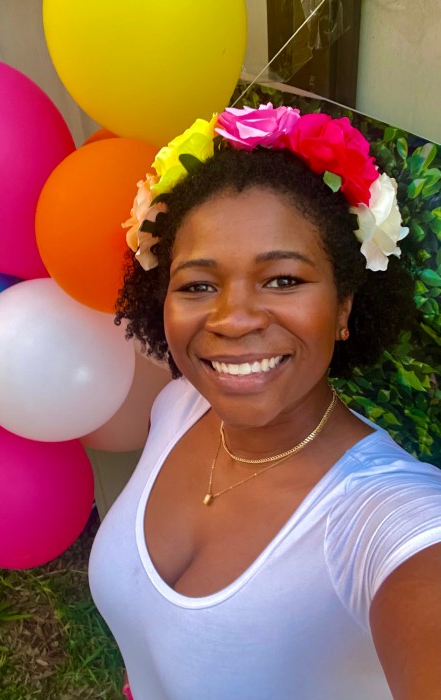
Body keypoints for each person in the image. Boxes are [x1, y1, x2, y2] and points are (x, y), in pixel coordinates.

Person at [89, 104, 441, 700]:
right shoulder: (177, 407)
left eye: (283, 280)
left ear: (345, 306)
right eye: (198, 284)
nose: (233, 319)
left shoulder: (386, 517)